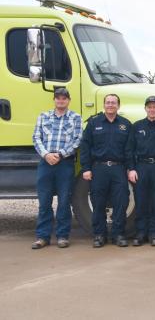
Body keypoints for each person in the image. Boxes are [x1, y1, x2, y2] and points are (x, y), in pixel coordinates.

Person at [31, 87, 82, 249]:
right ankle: (42, 236)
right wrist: (46, 155)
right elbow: (36, 137)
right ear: (54, 100)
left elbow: (77, 139)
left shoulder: (75, 118)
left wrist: (60, 154)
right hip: (45, 162)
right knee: (44, 201)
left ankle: (62, 236)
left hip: (65, 163)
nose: (61, 101)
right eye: (58, 98)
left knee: (64, 201)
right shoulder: (43, 116)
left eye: (64, 98)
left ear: (69, 100)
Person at [80, 94, 132, 248]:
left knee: (121, 202)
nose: (110, 105)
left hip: (118, 168)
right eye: (108, 102)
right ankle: (99, 235)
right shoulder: (93, 123)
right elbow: (85, 147)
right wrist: (86, 168)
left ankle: (118, 235)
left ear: (118, 106)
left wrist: (130, 169)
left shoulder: (125, 124)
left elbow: (129, 150)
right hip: (99, 168)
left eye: (113, 103)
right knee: (98, 203)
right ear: (104, 105)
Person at [126, 96, 155, 247]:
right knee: (141, 201)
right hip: (141, 167)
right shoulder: (137, 126)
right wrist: (131, 168)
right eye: (149, 107)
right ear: (145, 108)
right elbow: (130, 149)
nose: (152, 109)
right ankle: (141, 233)